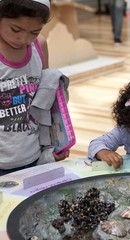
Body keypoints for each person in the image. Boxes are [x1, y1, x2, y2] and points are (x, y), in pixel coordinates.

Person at [0, 0, 68, 176]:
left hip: (33, 157)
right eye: (15, 30)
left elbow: (46, 96)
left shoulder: (40, 45)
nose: (23, 39)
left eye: (34, 32)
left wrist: (56, 142)